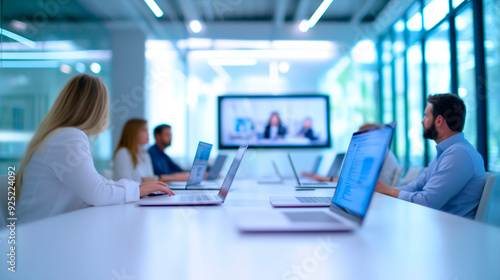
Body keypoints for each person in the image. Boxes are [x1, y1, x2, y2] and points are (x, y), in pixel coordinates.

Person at [16, 74, 174, 223]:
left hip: (42, 232)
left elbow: (95, 186)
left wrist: (137, 188)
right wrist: (137, 190)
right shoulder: (69, 137)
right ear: (98, 110)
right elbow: (97, 193)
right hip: (36, 239)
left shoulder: (60, 136)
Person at [375, 93, 485, 219]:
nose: (422, 121)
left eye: (426, 115)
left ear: (439, 120)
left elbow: (426, 202)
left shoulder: (459, 155)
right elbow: (416, 186)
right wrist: (384, 189)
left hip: (451, 234)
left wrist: (387, 190)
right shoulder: (446, 152)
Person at [302, 123, 399, 185]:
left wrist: (327, 179)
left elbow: (357, 182)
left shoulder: (376, 152)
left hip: (379, 194)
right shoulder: (382, 151)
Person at [113, 119, 156, 183]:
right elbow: (126, 182)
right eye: (144, 130)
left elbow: (151, 179)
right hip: (132, 192)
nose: (148, 134)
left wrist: (145, 180)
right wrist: (145, 180)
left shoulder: (145, 154)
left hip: (145, 191)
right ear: (134, 132)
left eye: (147, 130)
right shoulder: (123, 153)